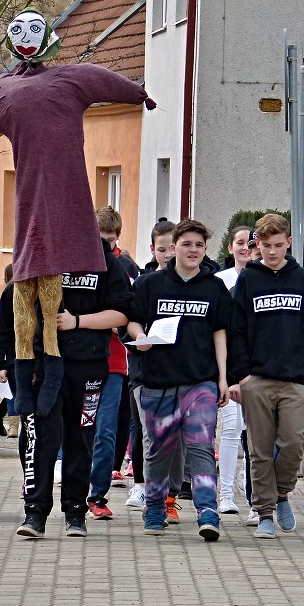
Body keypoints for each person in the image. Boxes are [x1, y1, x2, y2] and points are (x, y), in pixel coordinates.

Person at [0, 10, 155, 424]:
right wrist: (139, 94)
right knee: (32, 282)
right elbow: (106, 81)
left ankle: (33, 360)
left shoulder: (10, 87)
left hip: (44, 207)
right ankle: (34, 360)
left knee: (31, 282)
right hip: (44, 205)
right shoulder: (50, 81)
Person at [16, 228, 131, 539]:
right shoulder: (45, 255)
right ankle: (35, 513)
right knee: (42, 439)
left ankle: (75, 512)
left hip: (89, 365)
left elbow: (122, 313)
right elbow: (19, 303)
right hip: (45, 365)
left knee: (81, 439)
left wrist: (78, 321)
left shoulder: (106, 261)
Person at [126, 219, 232, 541]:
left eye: (199, 245)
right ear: (174, 248)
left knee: (201, 446)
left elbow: (220, 333)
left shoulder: (214, 288)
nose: (193, 250)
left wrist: (224, 379)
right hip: (156, 381)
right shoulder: (150, 285)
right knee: (159, 450)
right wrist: (141, 336)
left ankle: (207, 512)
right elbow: (131, 322)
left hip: (200, 382)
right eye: (187, 244)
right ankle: (155, 509)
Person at [228, 213, 304, 539]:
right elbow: (236, 330)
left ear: (288, 242)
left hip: (296, 378)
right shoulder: (248, 280)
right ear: (257, 245)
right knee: (259, 450)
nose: (272, 252)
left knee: (294, 442)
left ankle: (283, 493)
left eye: (278, 245)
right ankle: (265, 514)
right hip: (256, 378)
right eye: (266, 246)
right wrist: (239, 375)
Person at [87, 207, 135, 520]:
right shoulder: (79, 262)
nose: (105, 246)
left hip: (115, 362)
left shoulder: (126, 267)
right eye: (100, 239)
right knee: (80, 429)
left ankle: (97, 494)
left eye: (110, 240)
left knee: (106, 431)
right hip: (81, 359)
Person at [125, 218, 175, 510]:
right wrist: (141, 335)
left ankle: (171, 491)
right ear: (152, 250)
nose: (168, 254)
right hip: (145, 367)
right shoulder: (143, 281)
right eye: (162, 249)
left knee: (176, 436)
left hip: (181, 369)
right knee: (144, 429)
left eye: (172, 248)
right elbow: (131, 321)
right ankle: (141, 485)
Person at [215, 226, 254, 516]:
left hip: (258, 369)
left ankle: (252, 492)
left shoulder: (266, 280)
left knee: (254, 434)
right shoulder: (220, 281)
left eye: (249, 243)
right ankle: (225, 495)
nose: (245, 248)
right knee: (230, 429)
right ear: (231, 248)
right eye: (239, 243)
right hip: (229, 368)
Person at [0, 264, 19, 437]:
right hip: (16, 359)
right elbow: (0, 329)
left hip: (46, 360)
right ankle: (13, 425)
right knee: (24, 407)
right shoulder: (12, 291)